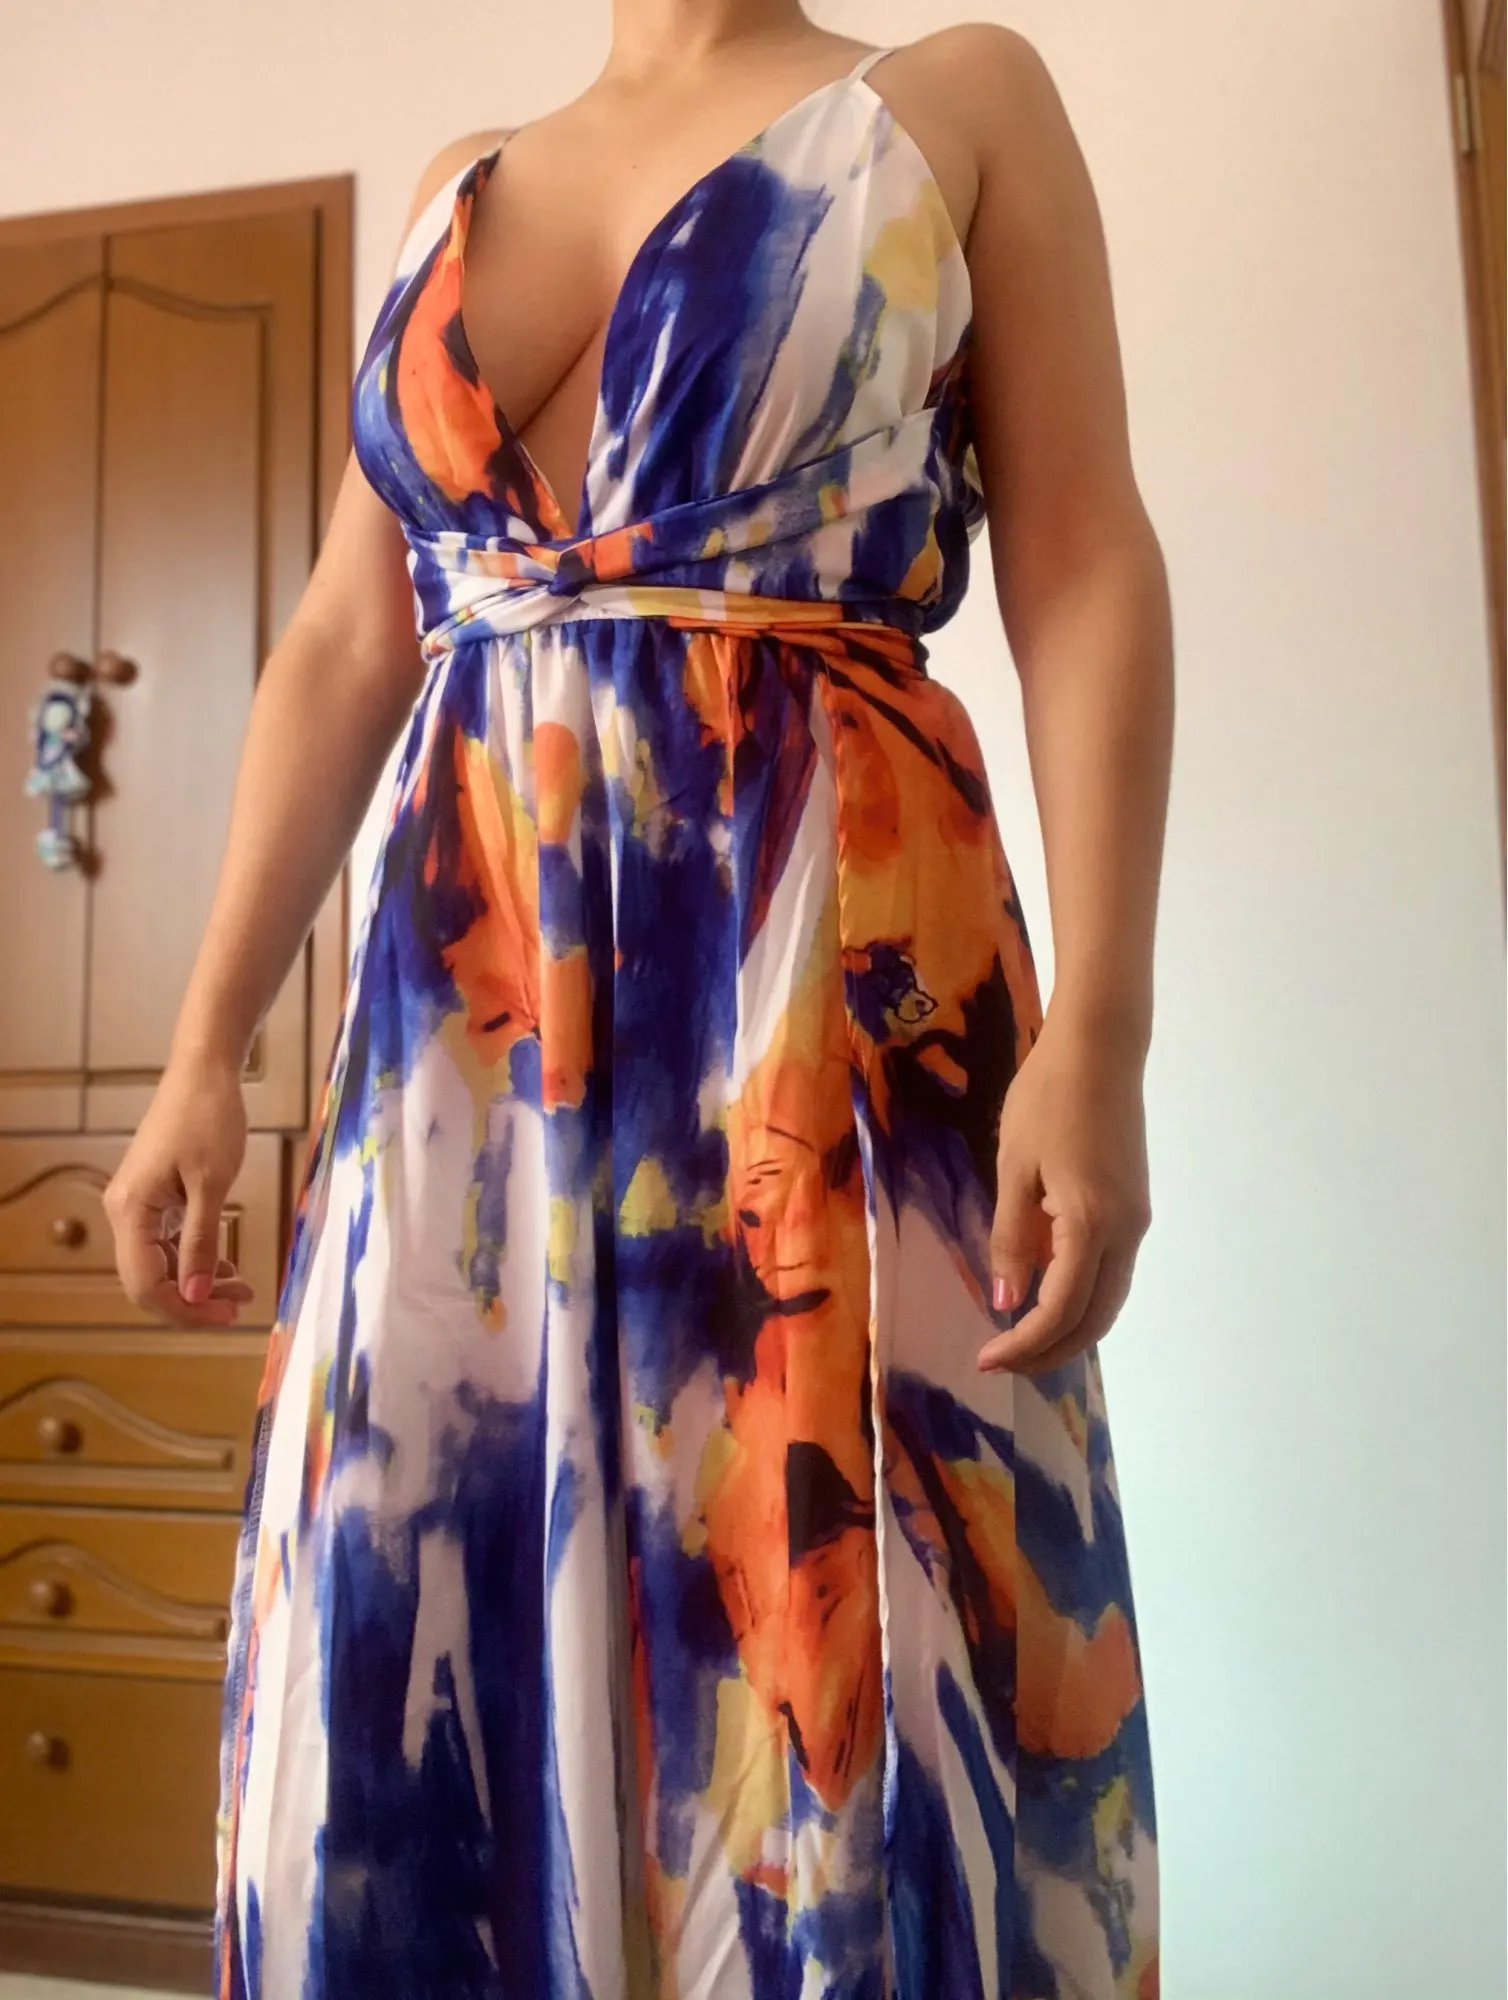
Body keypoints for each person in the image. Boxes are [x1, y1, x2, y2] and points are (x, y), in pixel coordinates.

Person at [105, 8, 1171, 1995]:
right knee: (418, 1595)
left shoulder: (959, 104)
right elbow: (347, 638)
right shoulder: (461, 187)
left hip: (824, 983)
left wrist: (1102, 1025)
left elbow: (1086, 556)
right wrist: (201, 1048)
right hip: (467, 1036)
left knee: (833, 1613)